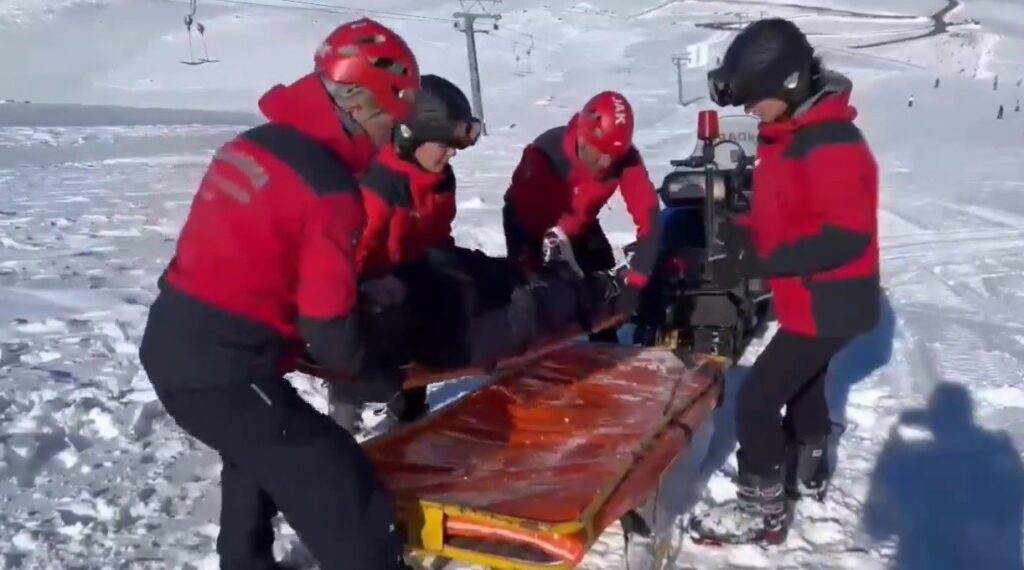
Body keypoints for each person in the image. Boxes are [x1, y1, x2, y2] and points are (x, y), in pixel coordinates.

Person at [138, 18, 421, 570]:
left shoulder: (255, 143)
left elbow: (256, 256)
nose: (395, 134)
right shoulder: (330, 192)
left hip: (176, 340)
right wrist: (384, 377)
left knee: (257, 449)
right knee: (341, 485)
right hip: (224, 370)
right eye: (394, 118)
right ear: (361, 106)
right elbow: (330, 328)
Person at [689, 17, 880, 545]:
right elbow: (786, 212)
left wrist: (759, 260)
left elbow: (845, 237)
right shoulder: (788, 136)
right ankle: (809, 468)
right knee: (805, 382)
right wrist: (741, 233)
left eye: (756, 99)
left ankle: (762, 512)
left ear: (791, 85)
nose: (750, 111)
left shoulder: (831, 142)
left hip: (832, 301)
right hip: (815, 299)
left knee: (755, 401)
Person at [349, 73, 511, 423]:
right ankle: (350, 405)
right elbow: (353, 258)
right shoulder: (379, 185)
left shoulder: (440, 180)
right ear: (411, 139)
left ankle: (409, 407)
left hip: (419, 272)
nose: (451, 153)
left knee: (492, 280)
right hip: (377, 288)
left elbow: (439, 236)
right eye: (444, 144)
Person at [502, 91, 662, 341]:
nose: (607, 162)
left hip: (582, 224)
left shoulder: (624, 159)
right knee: (539, 302)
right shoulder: (545, 155)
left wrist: (637, 281)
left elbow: (650, 220)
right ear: (582, 136)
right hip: (534, 224)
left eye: (615, 156)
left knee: (605, 298)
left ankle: (605, 353)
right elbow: (521, 218)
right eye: (601, 152)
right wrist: (530, 271)